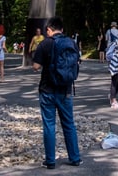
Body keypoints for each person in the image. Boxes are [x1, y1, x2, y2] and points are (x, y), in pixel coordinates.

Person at [31, 17, 82, 169]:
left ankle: (51, 161)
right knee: (69, 124)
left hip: (47, 90)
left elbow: (35, 66)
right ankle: (75, 158)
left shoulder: (45, 43)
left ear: (49, 29)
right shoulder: (71, 43)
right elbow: (77, 62)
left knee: (49, 125)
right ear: (62, 29)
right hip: (65, 90)